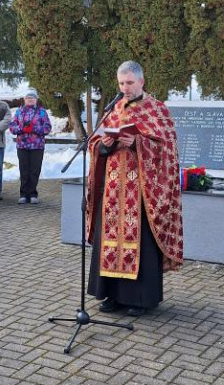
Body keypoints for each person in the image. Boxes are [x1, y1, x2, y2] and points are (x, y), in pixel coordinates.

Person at [86, 61, 184, 317]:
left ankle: (138, 298)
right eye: (121, 83)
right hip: (113, 190)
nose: (125, 88)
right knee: (111, 241)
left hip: (141, 191)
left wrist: (137, 143)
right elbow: (95, 144)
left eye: (129, 83)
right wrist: (105, 144)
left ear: (142, 81)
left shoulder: (157, 110)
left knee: (137, 239)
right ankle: (112, 295)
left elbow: (168, 152)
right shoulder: (114, 109)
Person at [9, 88, 51, 204]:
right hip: (22, 146)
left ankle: (33, 193)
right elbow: (12, 127)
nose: (30, 99)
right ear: (24, 99)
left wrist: (35, 129)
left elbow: (47, 128)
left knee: (34, 170)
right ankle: (23, 194)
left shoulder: (42, 112)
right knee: (24, 170)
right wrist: (22, 128)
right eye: (28, 97)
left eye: (32, 97)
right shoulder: (19, 112)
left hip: (37, 146)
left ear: (36, 99)